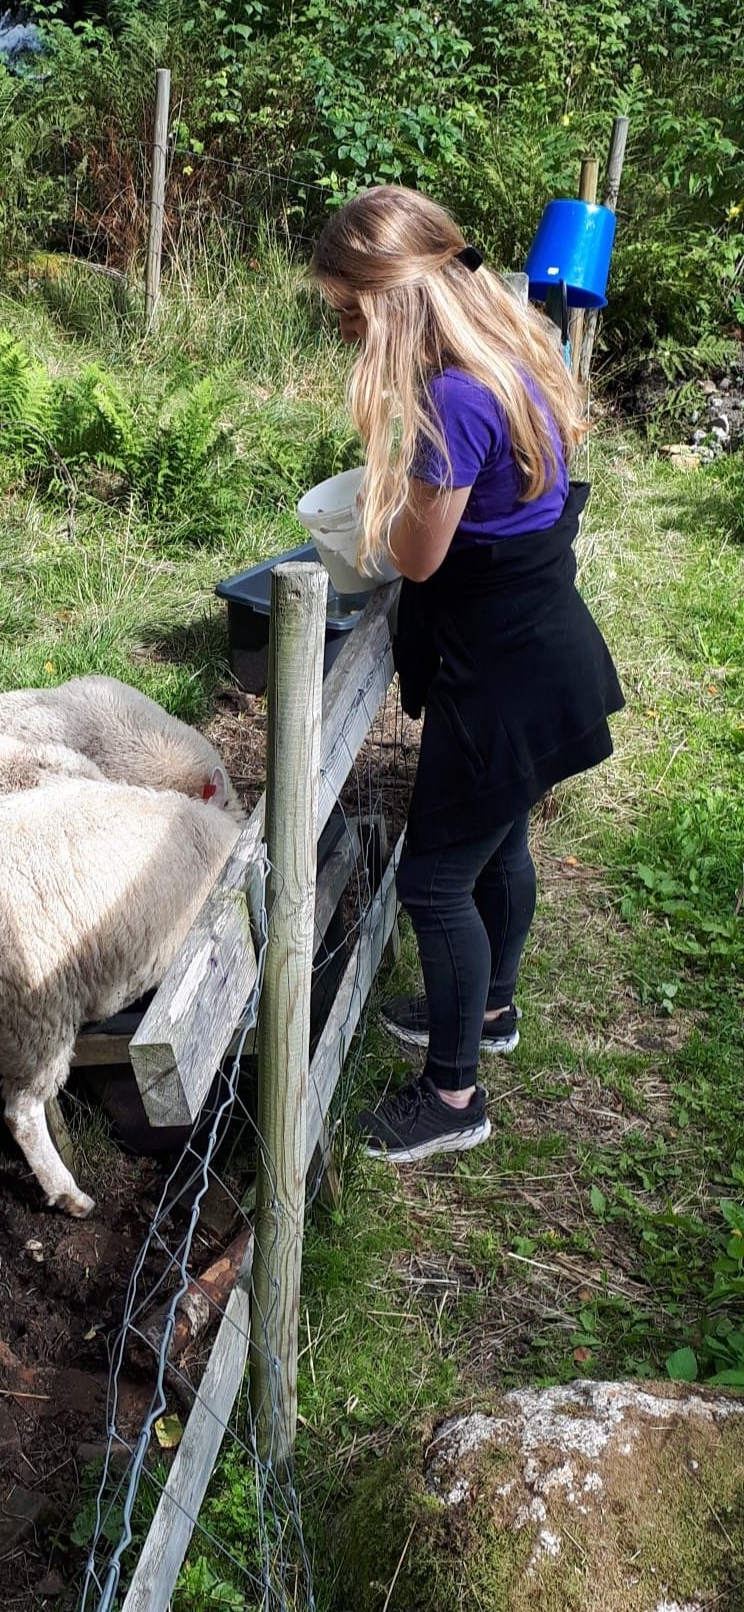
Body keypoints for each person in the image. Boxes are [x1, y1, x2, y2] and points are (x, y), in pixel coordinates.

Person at [310, 185, 624, 1163]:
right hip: (542, 651)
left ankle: (452, 1098)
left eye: (348, 314)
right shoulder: (517, 345)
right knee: (501, 846)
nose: (346, 333)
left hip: (500, 679)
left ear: (392, 301)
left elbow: (417, 557)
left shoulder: (449, 397)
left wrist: (388, 500)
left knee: (438, 881)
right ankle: (488, 1007)